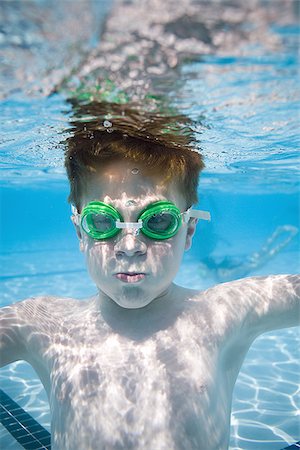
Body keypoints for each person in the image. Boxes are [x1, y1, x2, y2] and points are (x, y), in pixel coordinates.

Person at [1, 101, 299, 450]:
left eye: (158, 221)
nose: (129, 246)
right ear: (80, 233)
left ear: (188, 231)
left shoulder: (224, 311)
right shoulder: (42, 322)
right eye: (102, 222)